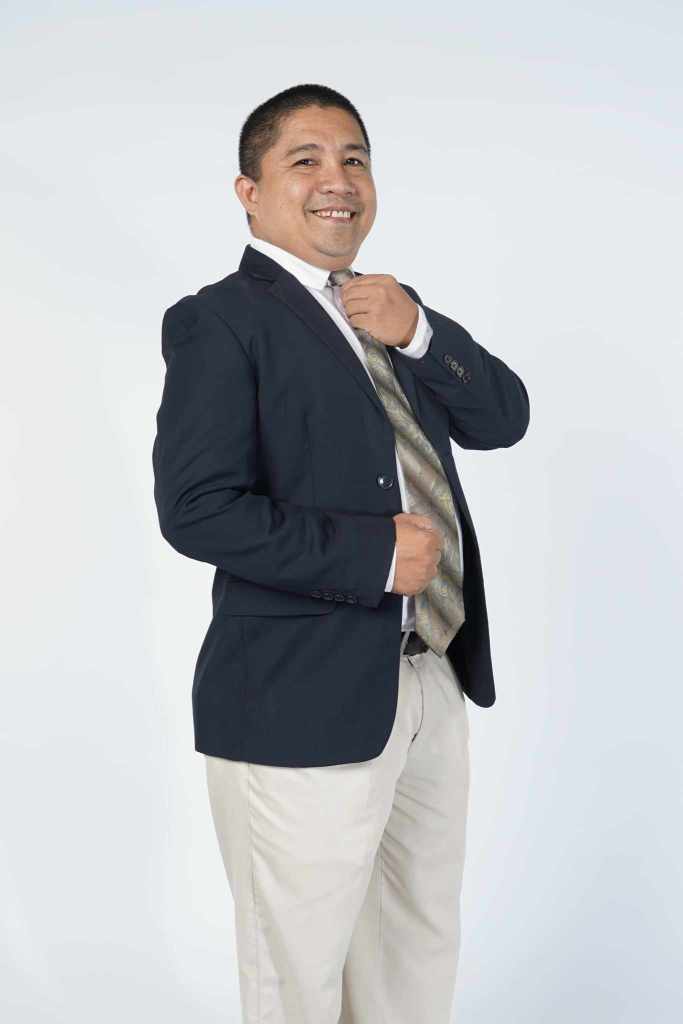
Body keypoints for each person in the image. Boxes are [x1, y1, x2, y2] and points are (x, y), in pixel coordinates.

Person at [152, 82, 530, 1024]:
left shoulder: (389, 311)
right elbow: (196, 511)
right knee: (298, 974)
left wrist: (422, 332)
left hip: (429, 677)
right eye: (306, 160)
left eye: (354, 159)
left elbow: (503, 419)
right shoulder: (218, 320)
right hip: (297, 694)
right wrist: (369, 556)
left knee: (414, 948)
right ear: (249, 192)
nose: (338, 180)